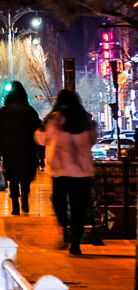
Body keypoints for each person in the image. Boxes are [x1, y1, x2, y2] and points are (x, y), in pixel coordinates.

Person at [36, 89, 98, 255]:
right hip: (82, 171)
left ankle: (64, 226)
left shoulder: (54, 120)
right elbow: (93, 139)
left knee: (59, 200)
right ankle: (76, 240)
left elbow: (41, 139)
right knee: (79, 206)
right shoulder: (85, 120)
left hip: (60, 170)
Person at [0, 81, 43, 215]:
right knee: (26, 175)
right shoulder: (30, 111)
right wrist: (40, 152)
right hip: (27, 149)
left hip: (9, 150)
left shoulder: (3, 112)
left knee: (12, 177)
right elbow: (38, 130)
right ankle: (25, 194)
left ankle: (15, 203)